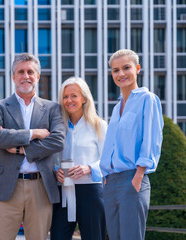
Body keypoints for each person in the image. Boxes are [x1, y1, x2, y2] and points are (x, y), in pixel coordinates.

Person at [0, 53, 66, 240]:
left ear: (37, 76)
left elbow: (57, 140)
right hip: (6, 186)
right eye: (20, 71)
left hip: (41, 185)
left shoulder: (53, 108)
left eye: (30, 71)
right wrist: (35, 133)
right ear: (13, 76)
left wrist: (20, 149)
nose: (26, 76)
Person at [100, 49, 164, 240]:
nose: (121, 74)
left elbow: (151, 139)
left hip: (132, 178)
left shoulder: (148, 99)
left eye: (126, 68)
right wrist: (105, 177)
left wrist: (138, 176)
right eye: (115, 70)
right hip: (110, 182)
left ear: (137, 69)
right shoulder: (116, 107)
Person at [50, 77, 106, 240]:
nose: (69, 100)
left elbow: (108, 160)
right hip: (63, 191)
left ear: (84, 98)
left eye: (74, 95)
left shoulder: (99, 125)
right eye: (65, 97)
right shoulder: (58, 127)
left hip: (90, 191)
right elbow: (52, 157)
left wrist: (89, 168)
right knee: (58, 236)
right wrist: (55, 171)